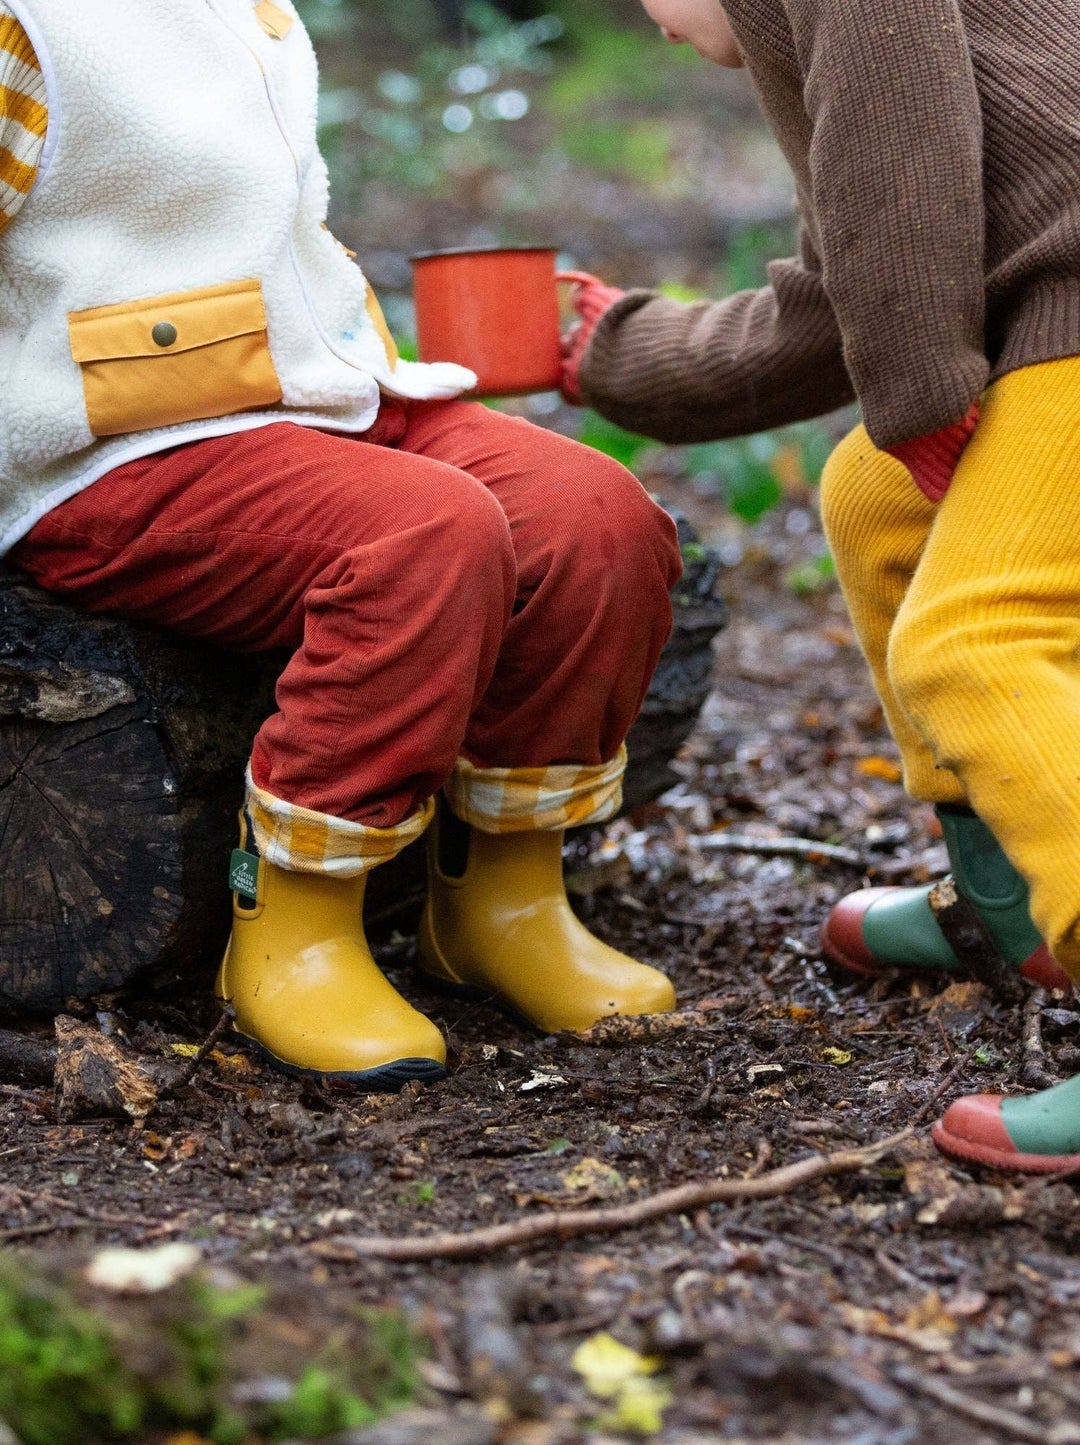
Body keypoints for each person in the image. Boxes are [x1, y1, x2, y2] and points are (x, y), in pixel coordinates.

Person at [561, 0, 1080, 1178]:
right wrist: (608, 352)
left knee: (978, 631)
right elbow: (847, 292)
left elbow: (895, 172)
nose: (653, 24)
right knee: (874, 493)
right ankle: (1012, 893)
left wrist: (925, 387)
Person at [0, 0, 681, 1088]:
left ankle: (503, 896)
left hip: (319, 389)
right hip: (107, 440)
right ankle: (293, 931)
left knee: (592, 516)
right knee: (423, 534)